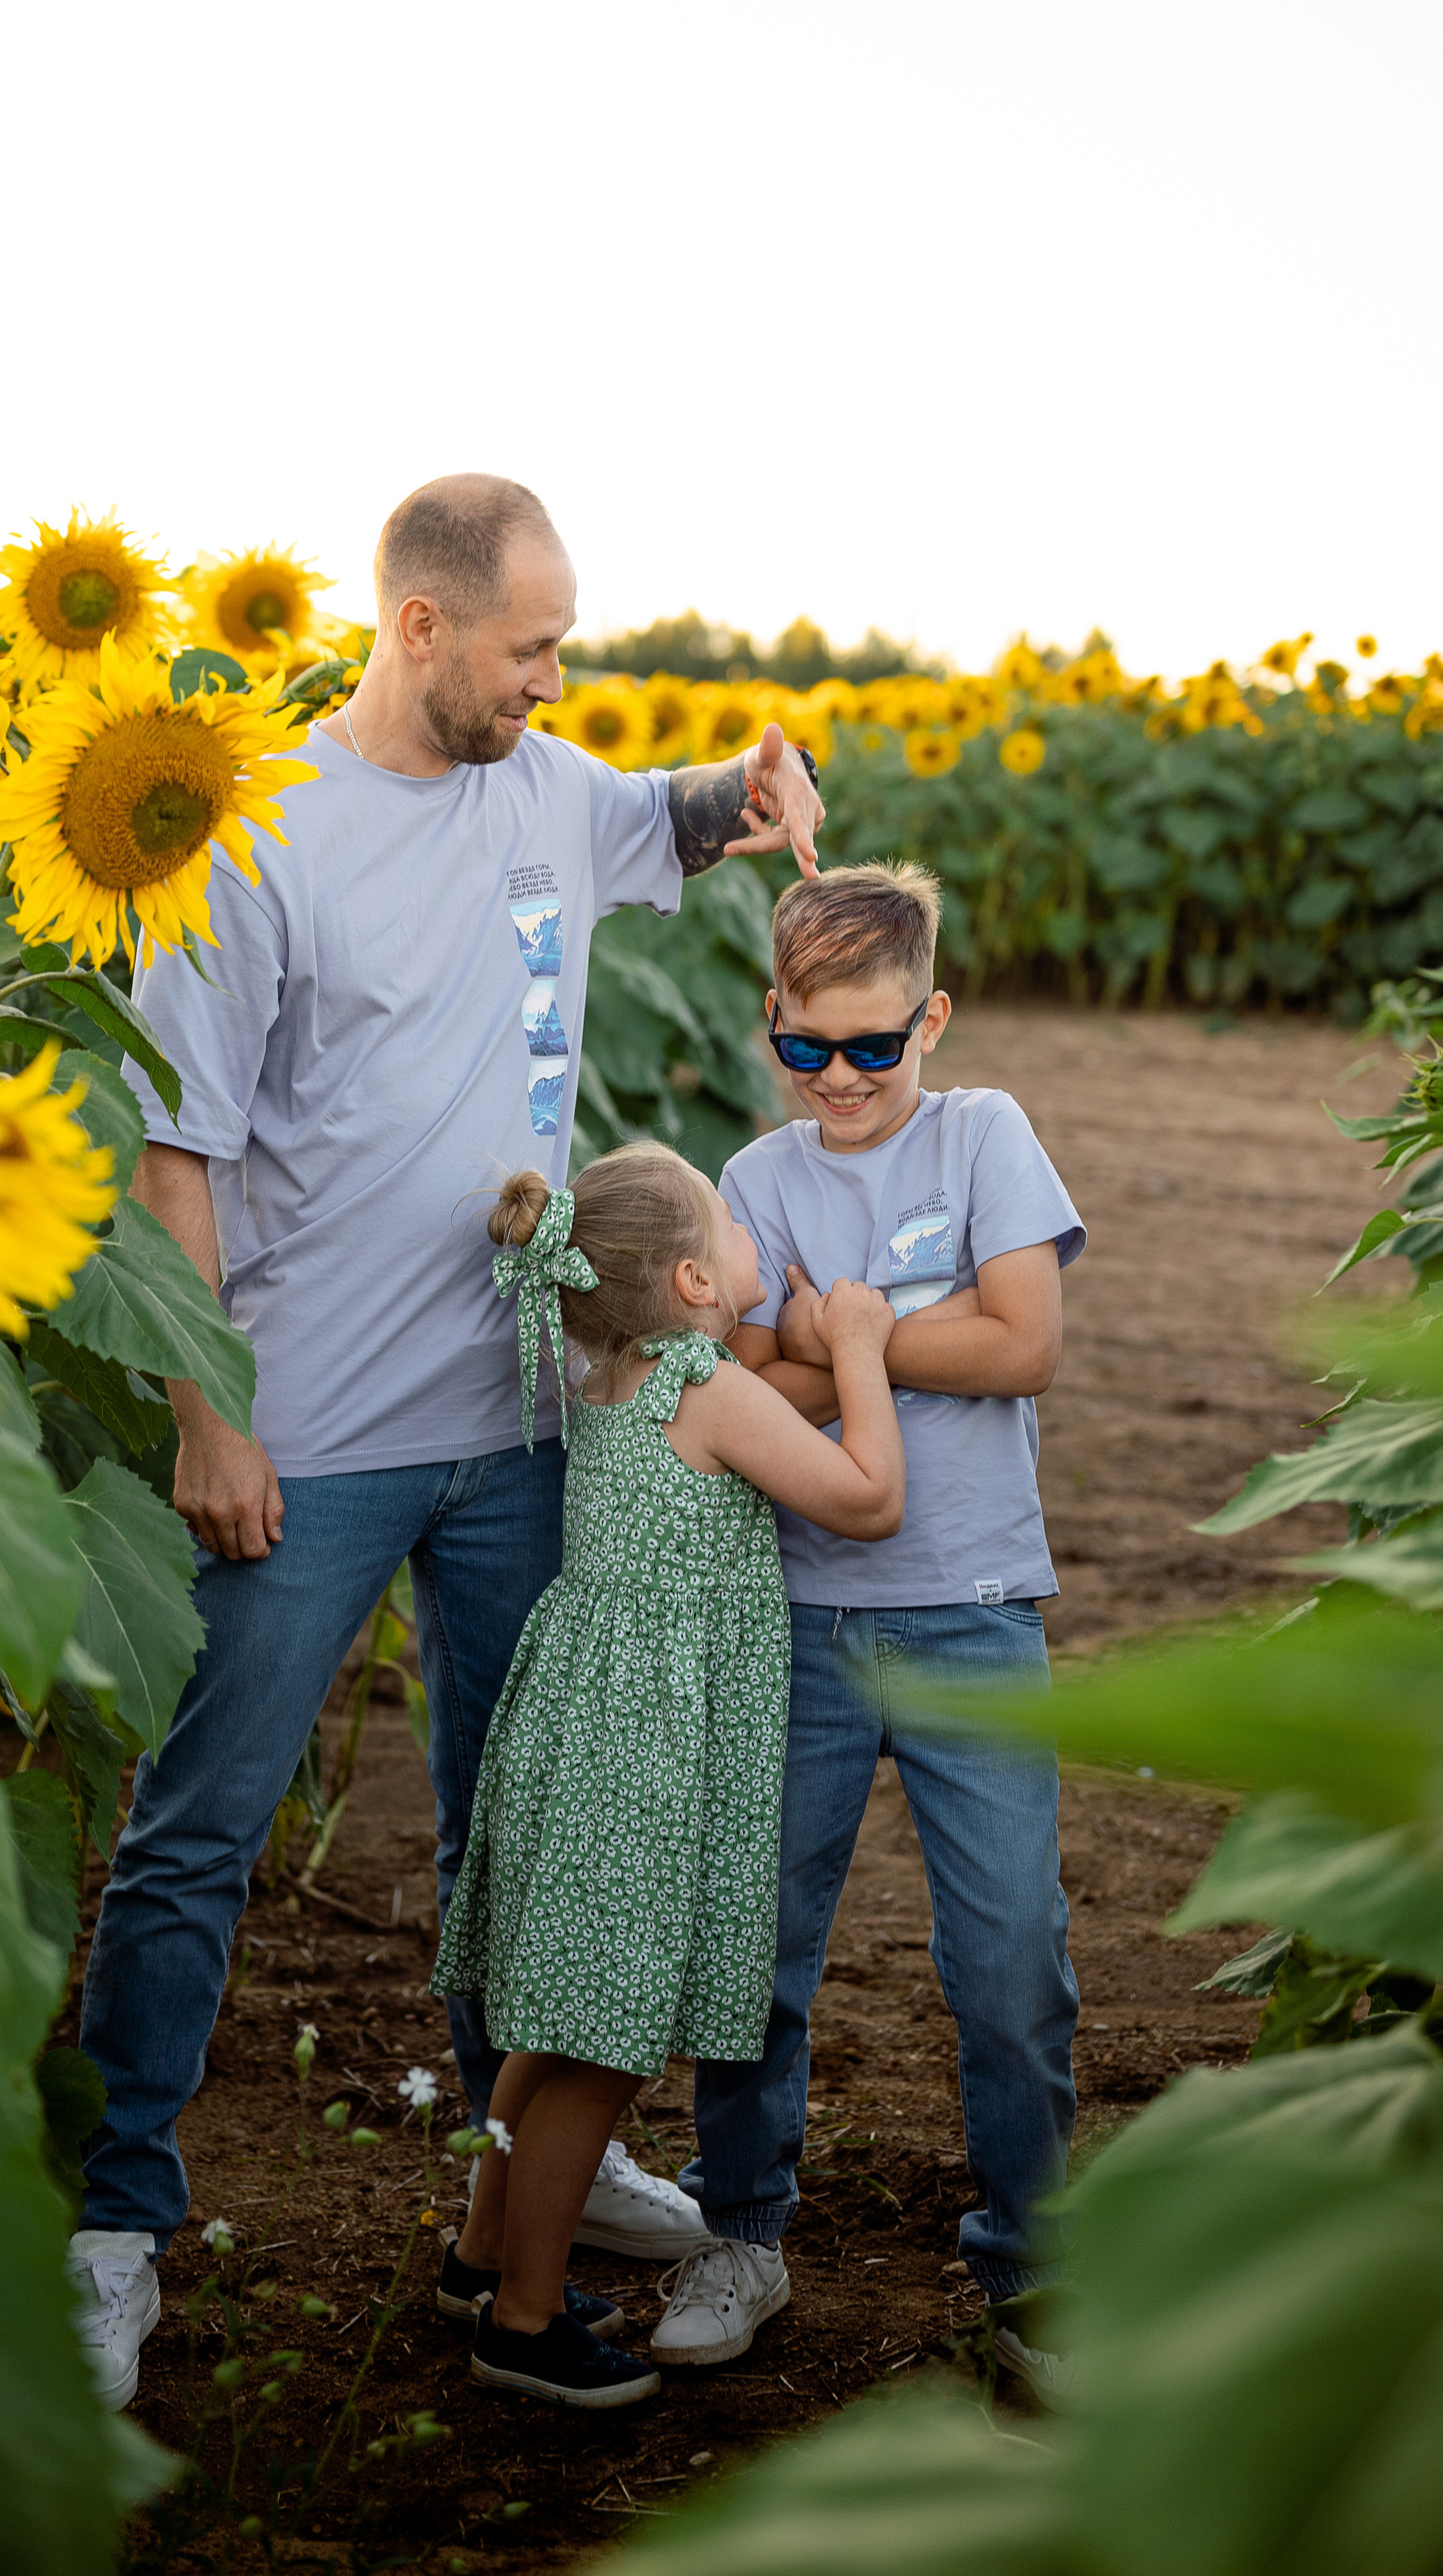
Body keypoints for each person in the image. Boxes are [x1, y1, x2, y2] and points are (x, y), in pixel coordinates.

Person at [67, 474, 828, 2409]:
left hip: (516, 1429)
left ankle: (525, 2202)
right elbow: (177, 1162)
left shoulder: (552, 794)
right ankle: (116, 2219)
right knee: (199, 1830)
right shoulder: (259, 844)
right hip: (304, 1436)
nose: (554, 679)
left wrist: (766, 774)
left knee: (526, 1832)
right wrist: (207, 1414)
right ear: (419, 628)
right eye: (529, 647)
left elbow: (688, 812)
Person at [646, 859, 1085, 2373]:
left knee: (1011, 1960)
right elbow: (738, 1378)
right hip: (795, 1621)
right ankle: (739, 2227)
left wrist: (844, 1332)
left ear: (933, 1021)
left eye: (875, 1048)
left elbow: (1024, 1343)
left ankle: (1029, 2266)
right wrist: (905, 1333)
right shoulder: (755, 1182)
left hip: (972, 1616)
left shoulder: (986, 1139)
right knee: (752, 1950)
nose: (839, 1079)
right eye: (806, 1048)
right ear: (770, 1021)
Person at [430, 1143, 905, 2407]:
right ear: (699, 1281)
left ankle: (481, 2258)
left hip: (583, 1722)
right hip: (644, 1751)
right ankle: (524, 2323)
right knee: (601, 2046)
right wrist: (858, 1341)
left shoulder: (608, 1369)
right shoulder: (703, 1385)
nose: (757, 1243)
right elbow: (866, 1499)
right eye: (737, 1231)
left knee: (552, 2023)